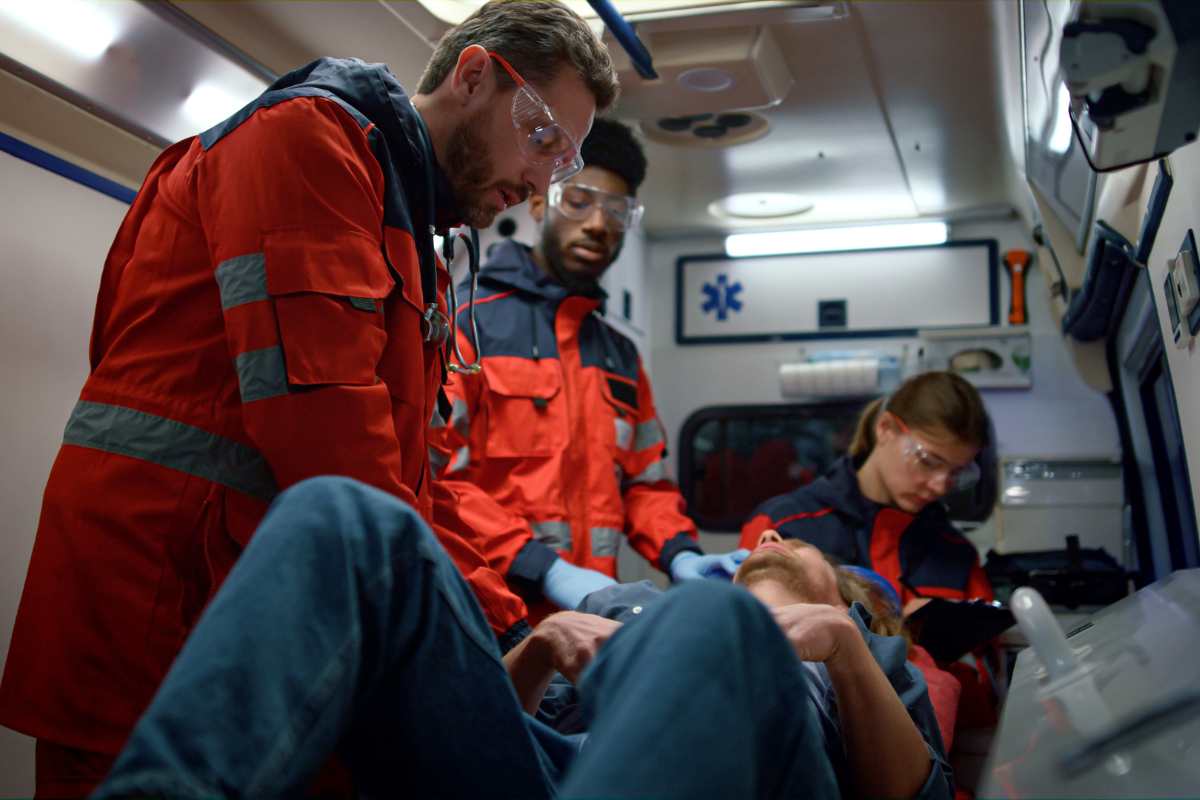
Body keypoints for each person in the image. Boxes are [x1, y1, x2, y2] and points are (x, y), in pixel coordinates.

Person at [0, 3, 617, 794]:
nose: (539, 185)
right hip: (156, 607)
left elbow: (412, 488)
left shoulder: (404, 227)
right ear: (472, 77)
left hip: (253, 607)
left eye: (561, 161)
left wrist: (514, 619)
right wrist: (485, 647)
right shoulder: (308, 145)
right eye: (541, 139)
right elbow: (335, 451)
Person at [94, 477, 953, 800]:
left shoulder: (863, 655)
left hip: (749, 777)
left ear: (846, 595)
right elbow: (501, 735)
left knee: (708, 617)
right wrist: (537, 651)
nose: (764, 538)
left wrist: (844, 648)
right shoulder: (631, 605)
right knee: (342, 512)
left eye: (795, 546)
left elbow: (915, 795)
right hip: (551, 769)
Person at [429, 118, 744, 615]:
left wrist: (681, 554)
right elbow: (437, 478)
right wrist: (544, 568)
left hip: (595, 617)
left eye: (616, 211)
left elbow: (646, 484)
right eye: (579, 201)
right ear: (539, 203)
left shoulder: (620, 355)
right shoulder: (469, 324)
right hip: (487, 617)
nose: (598, 224)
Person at [740, 371, 995, 610]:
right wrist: (896, 632)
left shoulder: (955, 551)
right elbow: (750, 631)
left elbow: (987, 642)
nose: (940, 486)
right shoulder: (783, 525)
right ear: (885, 428)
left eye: (956, 473)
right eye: (928, 461)